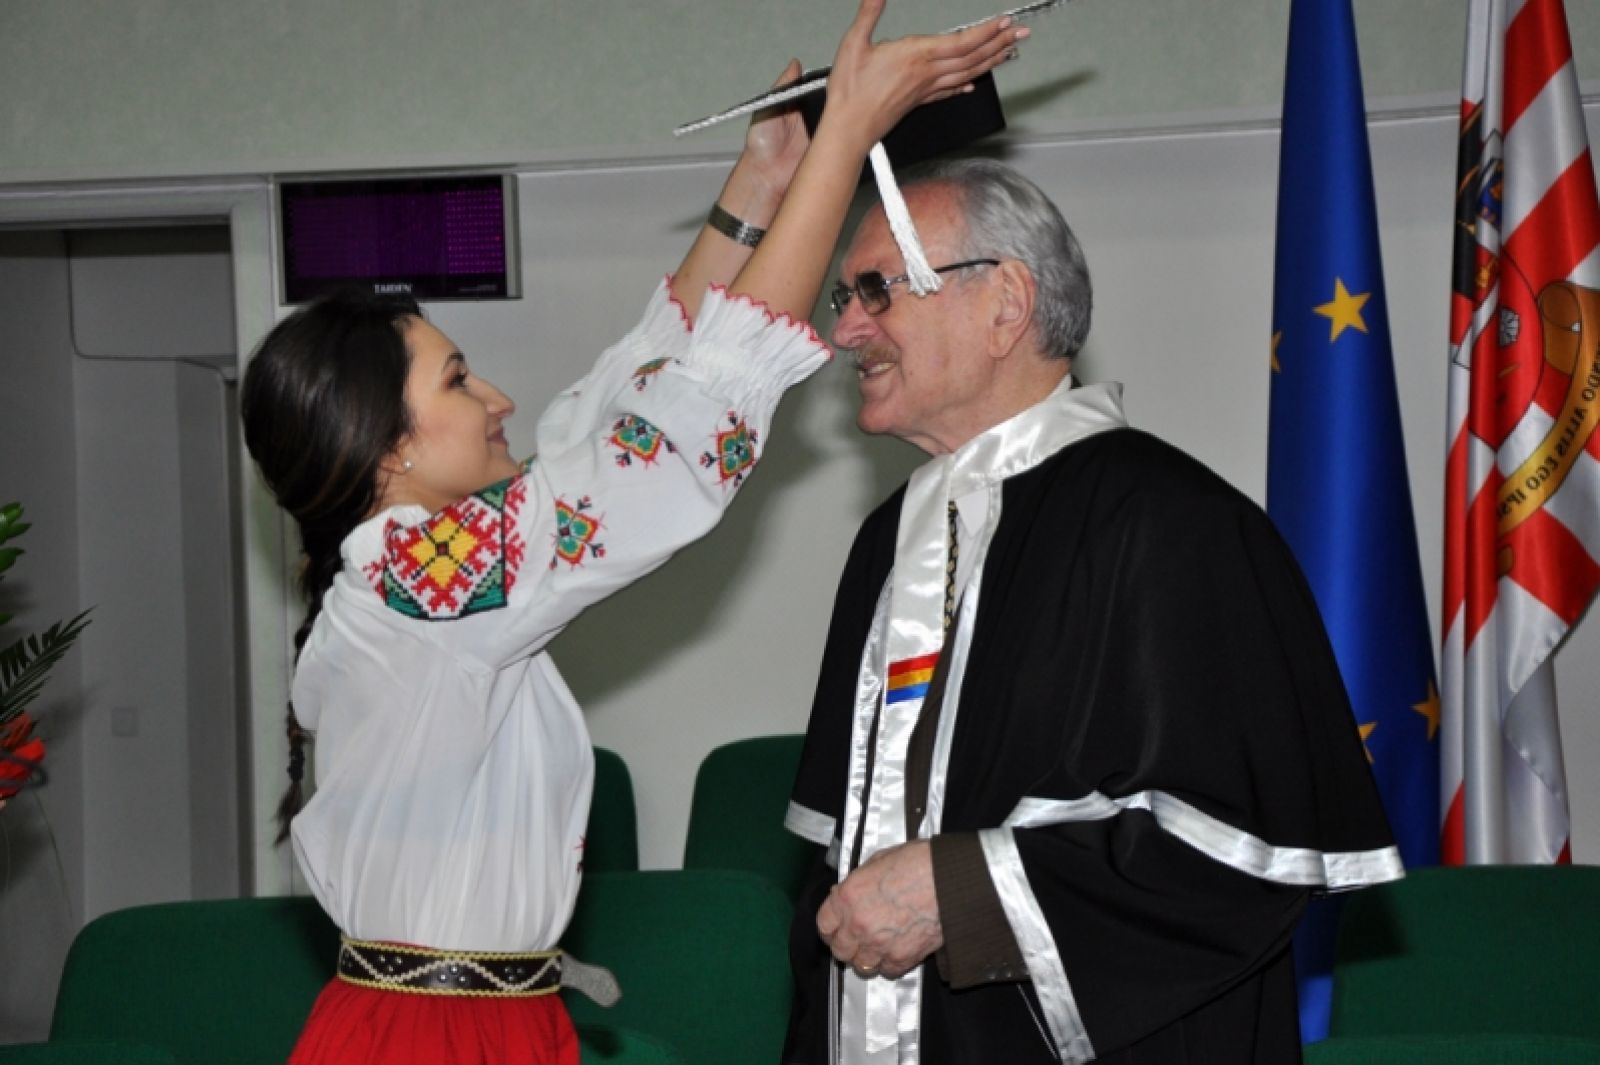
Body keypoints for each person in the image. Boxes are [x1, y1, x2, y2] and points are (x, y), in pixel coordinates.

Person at [238, 8, 1028, 1063]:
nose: (499, 398)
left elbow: (615, 412)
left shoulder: (423, 573)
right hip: (431, 1037)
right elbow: (665, 439)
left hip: (486, 1020)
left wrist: (762, 186)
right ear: (386, 448)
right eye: (459, 380)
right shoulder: (419, 578)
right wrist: (841, 141)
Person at [782, 158, 1405, 1064]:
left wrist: (964, 892)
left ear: (1006, 304)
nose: (844, 329)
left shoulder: (1177, 524)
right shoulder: (889, 542)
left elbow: (1233, 858)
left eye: (876, 288)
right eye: (844, 297)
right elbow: (836, 876)